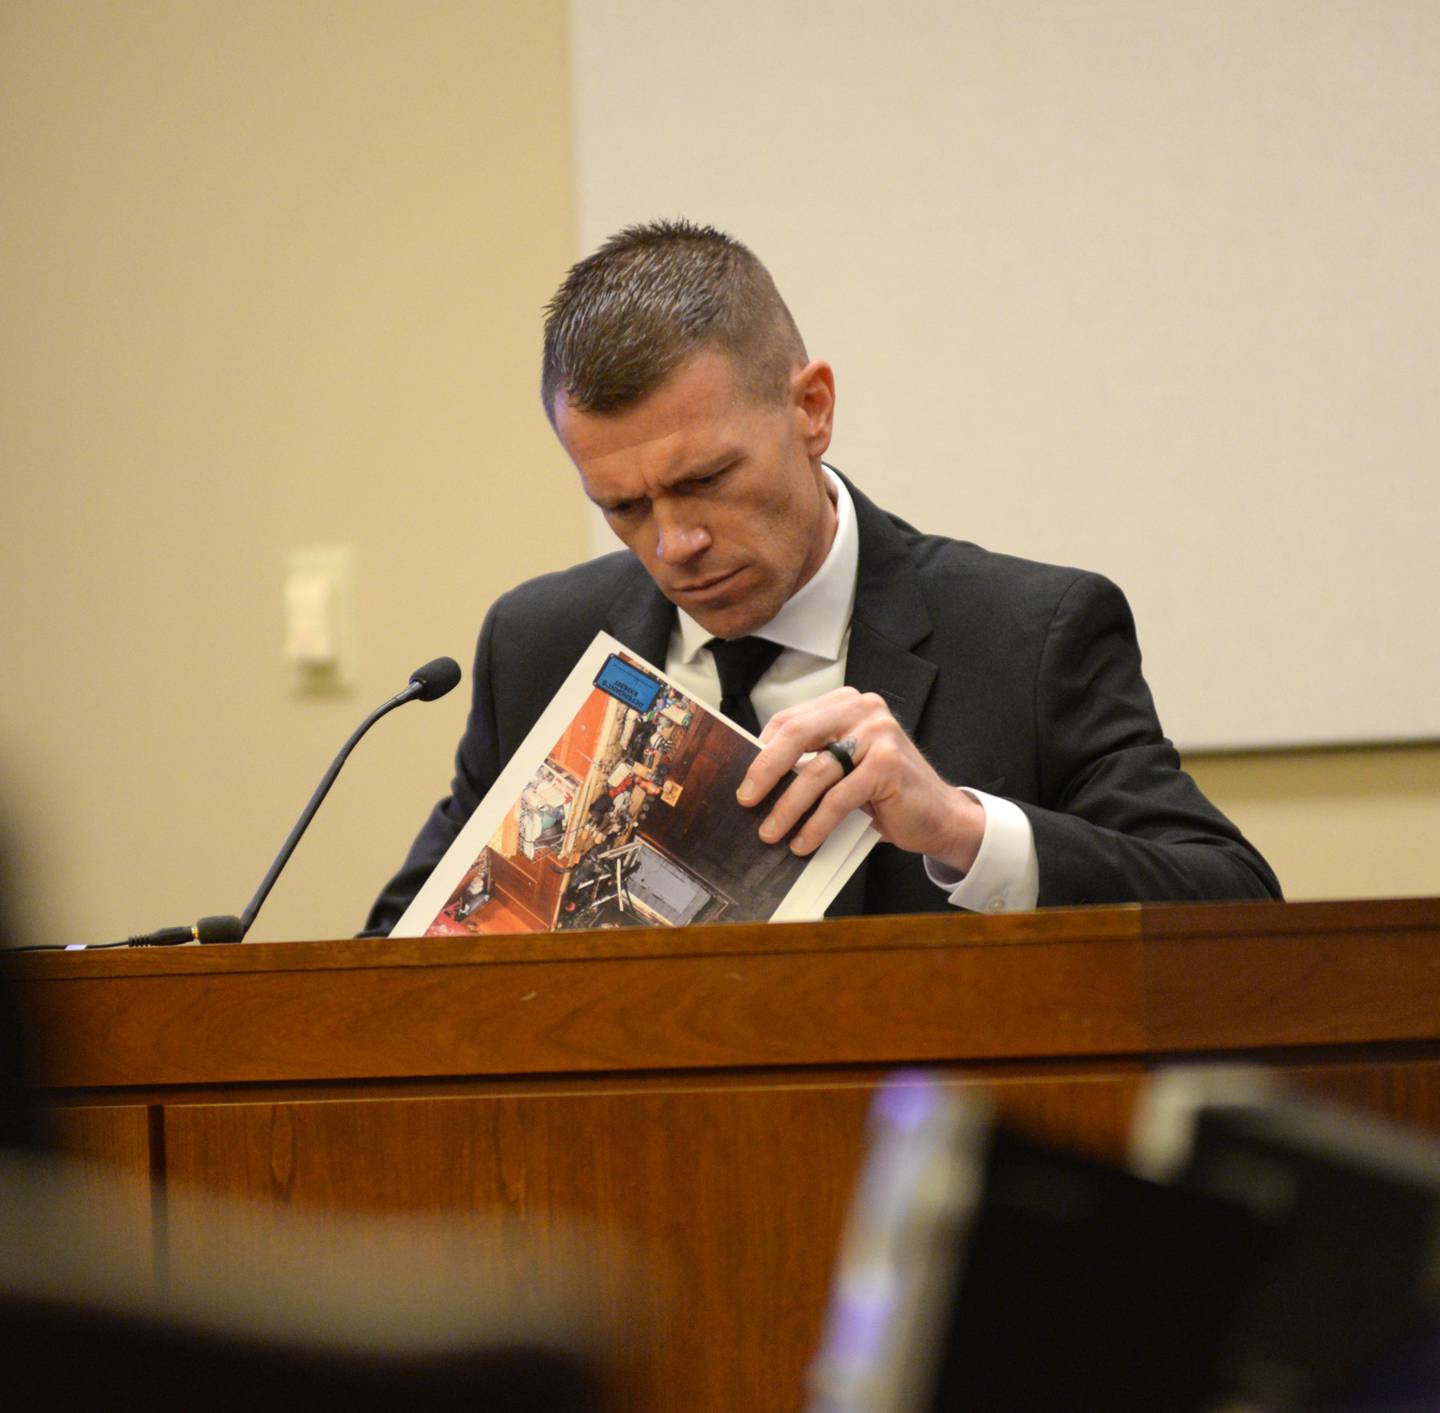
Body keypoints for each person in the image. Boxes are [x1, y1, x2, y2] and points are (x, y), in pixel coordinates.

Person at [363, 220, 1278, 934]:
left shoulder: (1029, 633)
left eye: (706, 481)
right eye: (624, 506)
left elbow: (1239, 909)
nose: (676, 541)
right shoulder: (541, 645)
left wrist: (961, 828)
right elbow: (387, 966)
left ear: (811, 409)